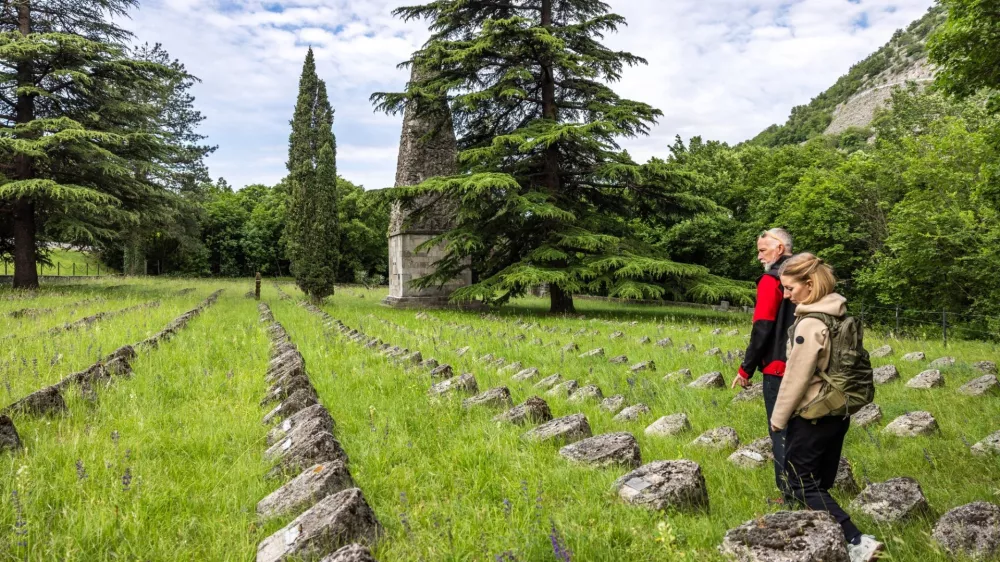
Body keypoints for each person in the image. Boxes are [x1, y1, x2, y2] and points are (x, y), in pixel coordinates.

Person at [770, 253, 884, 562]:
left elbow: (796, 377)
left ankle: (857, 539)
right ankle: (821, 539)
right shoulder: (838, 316)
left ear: (809, 285)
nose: (787, 295)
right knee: (820, 482)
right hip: (839, 412)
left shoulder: (810, 323)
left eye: (790, 288)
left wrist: (778, 419)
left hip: (813, 414)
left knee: (800, 482)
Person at [731, 228, 796, 495]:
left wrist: (745, 369)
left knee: (780, 431)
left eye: (762, 250)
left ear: (779, 248)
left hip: (778, 368)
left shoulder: (772, 280)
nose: (759, 256)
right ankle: (809, 489)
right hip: (807, 364)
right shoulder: (806, 276)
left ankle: (789, 494)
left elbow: (763, 327)